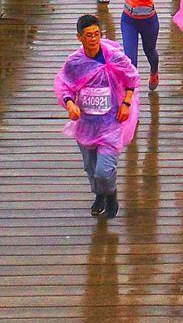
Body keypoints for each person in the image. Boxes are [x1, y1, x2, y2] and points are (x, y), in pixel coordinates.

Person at [55, 14, 138, 219]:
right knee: (91, 168)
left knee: (104, 170)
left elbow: (131, 79)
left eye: (96, 34)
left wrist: (126, 103)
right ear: (79, 37)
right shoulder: (75, 62)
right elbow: (64, 85)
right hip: (86, 123)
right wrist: (70, 103)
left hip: (110, 123)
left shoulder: (113, 57)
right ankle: (99, 195)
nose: (93, 39)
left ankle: (111, 194)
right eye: (88, 35)